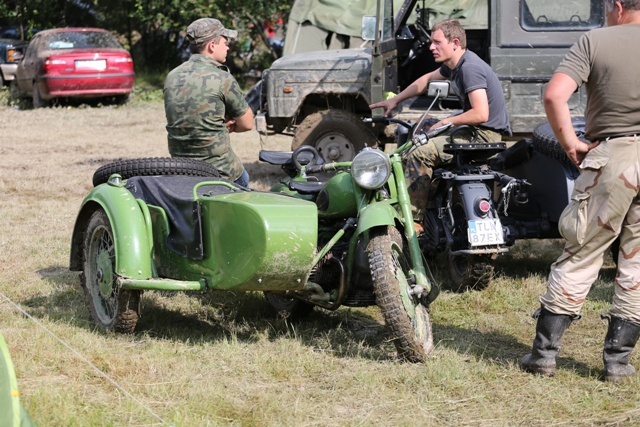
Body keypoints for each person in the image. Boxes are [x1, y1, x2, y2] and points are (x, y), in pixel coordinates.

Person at [521, 0, 640, 382]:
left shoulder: (594, 40)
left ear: (618, 5)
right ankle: (617, 364)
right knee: (637, 265)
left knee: (582, 253)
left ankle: (544, 356)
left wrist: (570, 142)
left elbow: (555, 95)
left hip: (613, 158)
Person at [369, 19, 511, 227]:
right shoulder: (455, 65)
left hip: (484, 135)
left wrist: (448, 121)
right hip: (476, 130)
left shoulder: (469, 69)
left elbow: (480, 114)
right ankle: (433, 194)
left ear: (454, 43)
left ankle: (413, 221)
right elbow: (426, 80)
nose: (431, 47)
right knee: (420, 126)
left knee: (420, 152)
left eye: (437, 42)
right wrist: (395, 100)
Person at [164, 18, 254, 187]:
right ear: (212, 45)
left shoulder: (172, 76)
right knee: (244, 178)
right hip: (219, 170)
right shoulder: (222, 77)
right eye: (225, 43)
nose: (227, 48)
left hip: (181, 167)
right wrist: (229, 125)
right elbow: (248, 123)